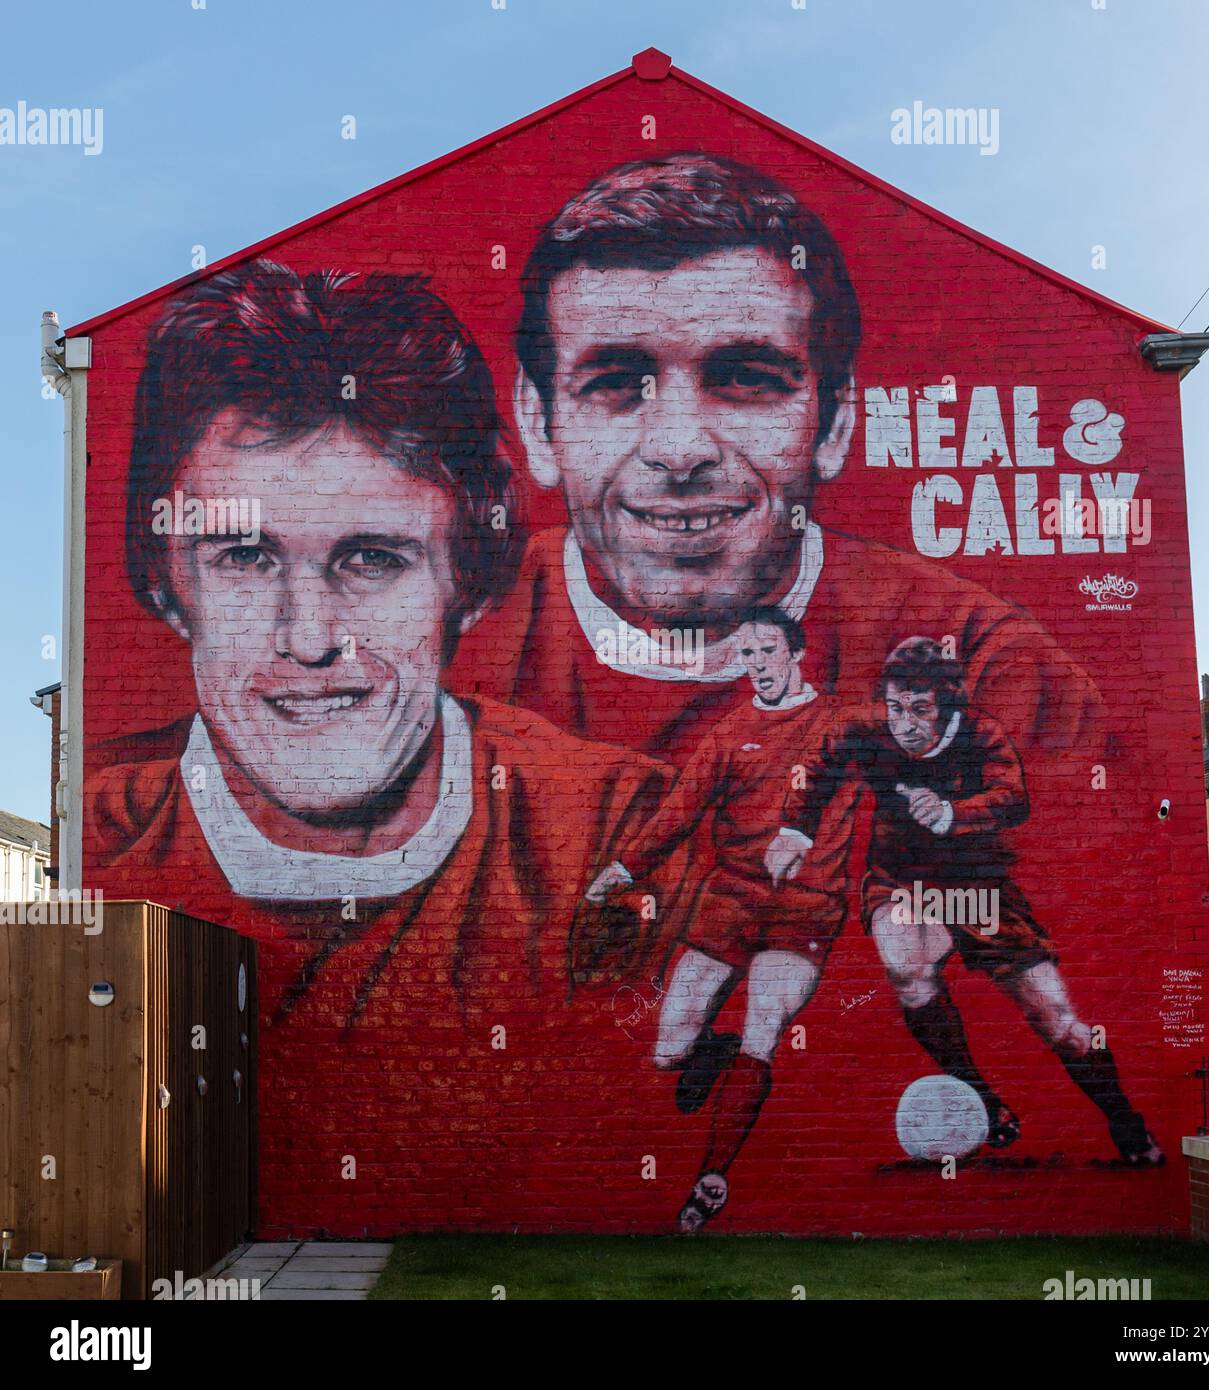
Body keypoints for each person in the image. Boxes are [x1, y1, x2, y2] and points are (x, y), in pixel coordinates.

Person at [86, 258, 676, 1027]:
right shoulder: (101, 832)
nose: (308, 638)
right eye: (243, 558)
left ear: (470, 578)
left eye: (372, 559)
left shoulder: (621, 828)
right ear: (166, 582)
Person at [450, 152, 1101, 787]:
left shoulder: (992, 669)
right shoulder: (443, 648)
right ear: (538, 424)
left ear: (835, 421)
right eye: (616, 382)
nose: (679, 450)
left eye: (745, 380)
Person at [766, 636, 1163, 1167]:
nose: (904, 722)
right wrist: (796, 830)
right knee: (906, 967)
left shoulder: (981, 735)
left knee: (1056, 1019)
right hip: (900, 880)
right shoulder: (864, 729)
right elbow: (817, 766)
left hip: (980, 888)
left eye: (920, 710)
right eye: (896, 706)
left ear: (947, 706)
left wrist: (954, 812)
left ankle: (1125, 1123)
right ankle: (982, 1098)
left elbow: (1013, 798)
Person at [585, 608, 858, 1231]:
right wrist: (625, 869)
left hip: (805, 908)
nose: (756, 664)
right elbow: (680, 809)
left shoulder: (839, 722)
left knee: (765, 1020)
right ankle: (716, 1052)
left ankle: (711, 1177)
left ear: (795, 651)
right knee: (667, 1051)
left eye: (766, 651)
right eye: (747, 655)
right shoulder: (731, 733)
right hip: (729, 901)